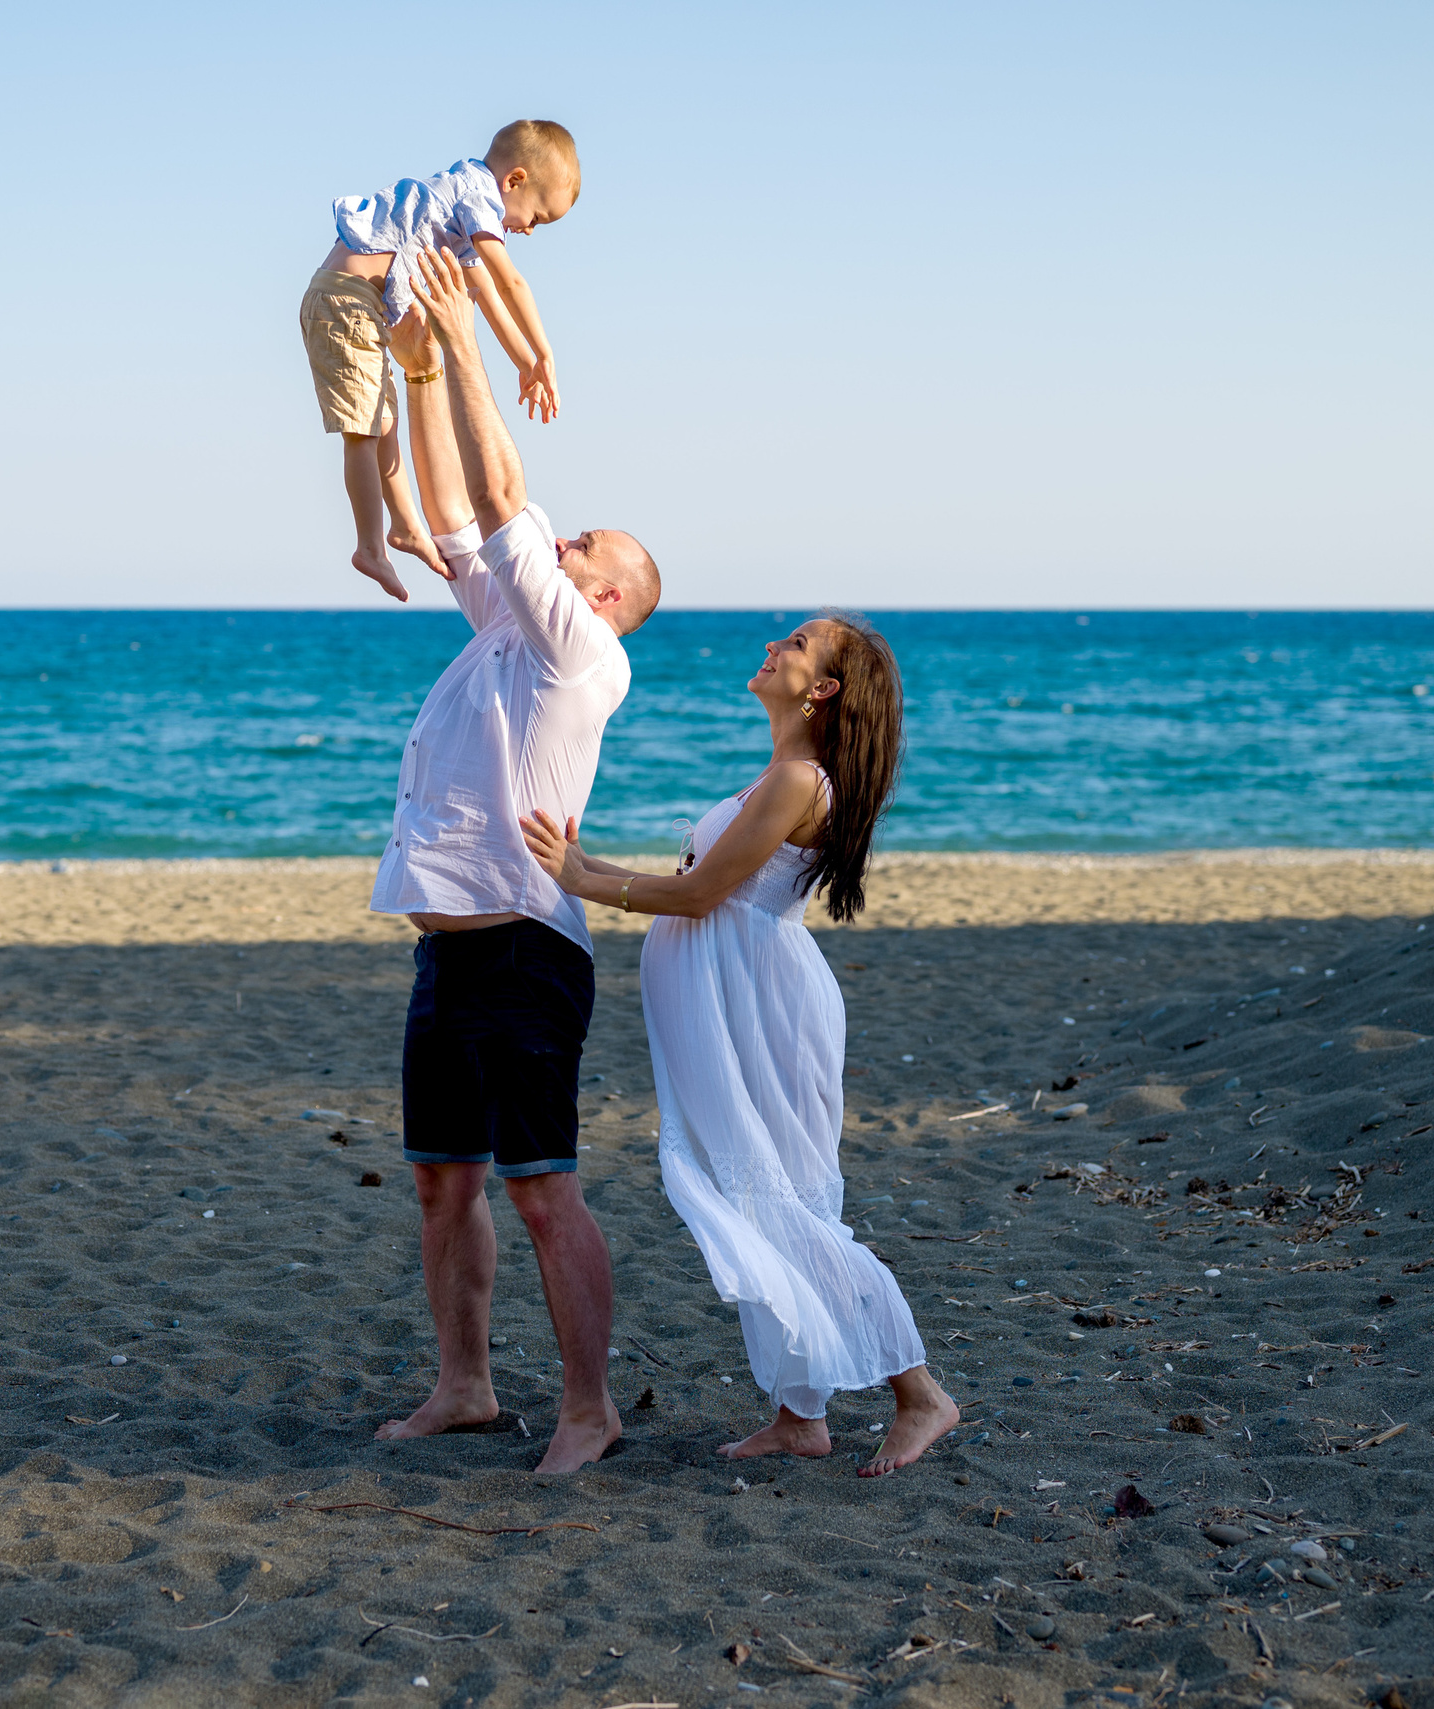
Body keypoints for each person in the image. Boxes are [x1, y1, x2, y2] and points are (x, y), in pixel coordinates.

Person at [518, 615, 962, 1477]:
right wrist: (581, 866)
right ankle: (801, 1416)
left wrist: (583, 880)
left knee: (775, 1199)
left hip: (757, 1005)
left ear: (822, 689)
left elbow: (700, 896)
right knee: (762, 1191)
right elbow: (696, 884)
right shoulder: (780, 775)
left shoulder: (797, 779)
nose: (773, 646)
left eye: (795, 644)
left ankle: (920, 1393)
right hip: (734, 999)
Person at [367, 244, 660, 1476]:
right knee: (444, 1183)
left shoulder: (584, 654)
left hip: (528, 952)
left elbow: (498, 494)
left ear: (607, 596)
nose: (560, 538)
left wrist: (467, 340)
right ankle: (467, 1387)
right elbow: (453, 513)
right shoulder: (510, 628)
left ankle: (588, 1408)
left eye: (581, 542)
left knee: (543, 1189)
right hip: (448, 953)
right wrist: (421, 368)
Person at [300, 121, 579, 603]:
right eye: (537, 216)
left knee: (382, 423)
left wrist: (525, 365)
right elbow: (509, 282)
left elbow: (485, 294)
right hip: (345, 301)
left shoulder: (461, 212)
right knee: (363, 432)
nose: (530, 230)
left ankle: (405, 527)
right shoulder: (477, 197)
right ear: (514, 180)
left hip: (358, 306)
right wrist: (545, 352)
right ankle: (369, 546)